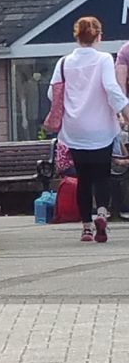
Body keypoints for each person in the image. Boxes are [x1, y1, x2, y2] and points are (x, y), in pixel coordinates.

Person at [48, 16, 129, 244]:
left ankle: (85, 227)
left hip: (75, 130)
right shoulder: (103, 59)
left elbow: (52, 93)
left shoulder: (64, 62)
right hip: (101, 129)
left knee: (83, 178)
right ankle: (101, 214)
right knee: (102, 175)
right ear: (99, 36)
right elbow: (111, 88)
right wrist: (125, 111)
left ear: (77, 35)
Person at [111, 125, 129, 220]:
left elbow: (126, 155)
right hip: (109, 166)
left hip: (122, 165)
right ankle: (119, 210)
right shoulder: (105, 137)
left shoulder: (121, 136)